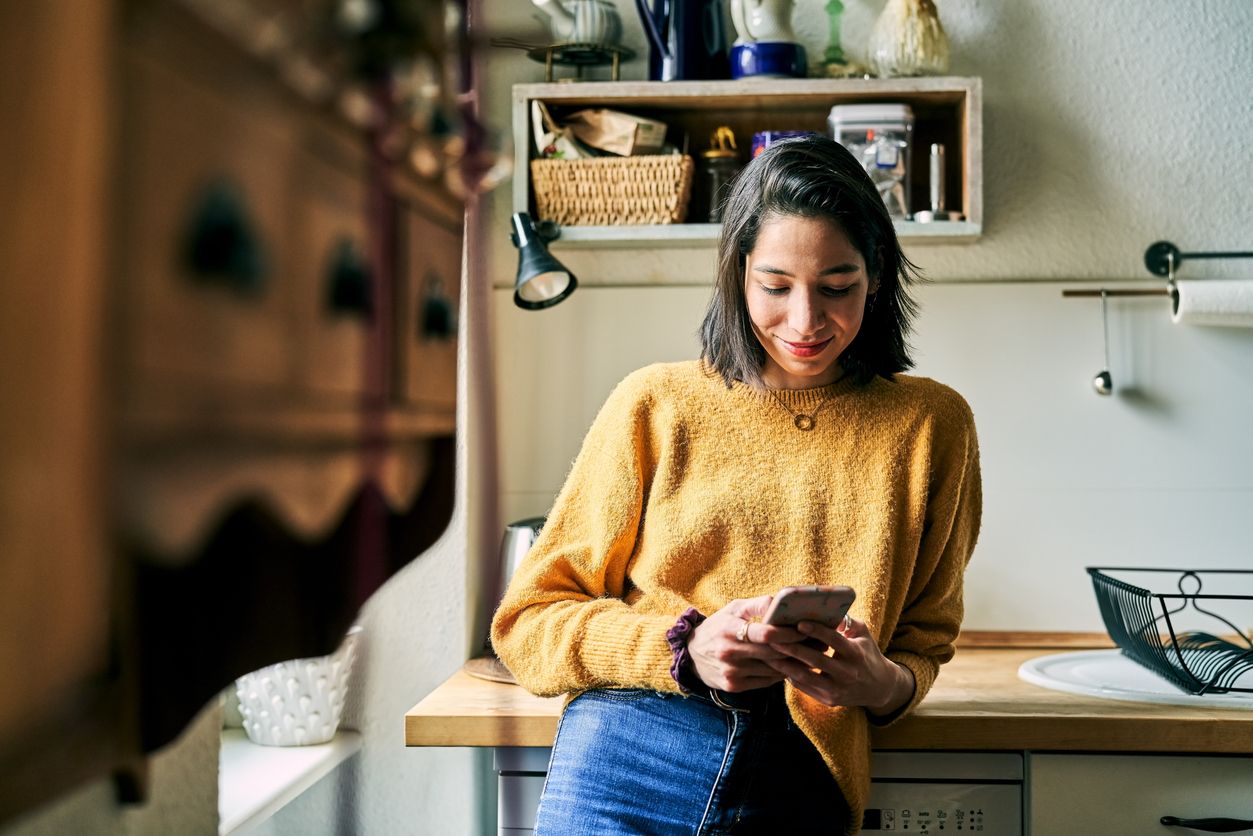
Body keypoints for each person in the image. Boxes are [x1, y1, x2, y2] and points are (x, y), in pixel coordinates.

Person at [491, 135, 981, 835]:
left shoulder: (931, 425)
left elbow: (923, 643)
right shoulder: (654, 402)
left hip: (804, 769)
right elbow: (526, 624)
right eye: (775, 287)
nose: (806, 321)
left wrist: (883, 684)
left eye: (837, 286)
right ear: (737, 276)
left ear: (875, 276)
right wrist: (682, 648)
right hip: (631, 745)